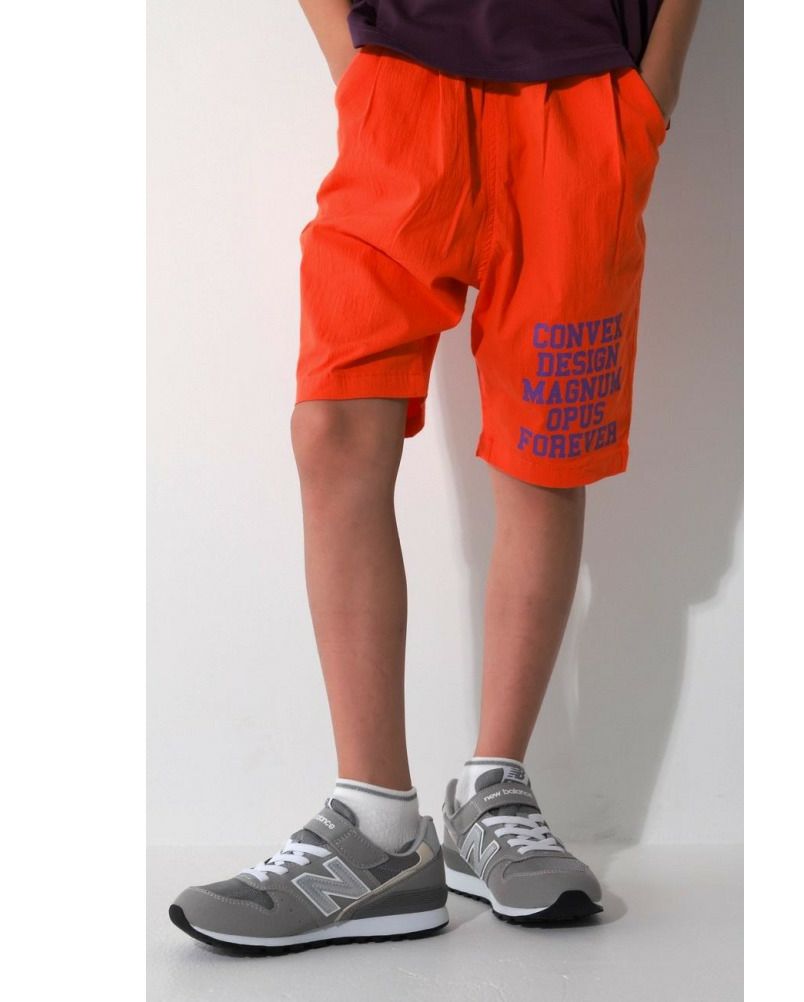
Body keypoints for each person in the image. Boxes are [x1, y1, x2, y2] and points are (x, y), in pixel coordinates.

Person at [170, 0, 701, 953]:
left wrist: (651, 89)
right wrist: (358, 67)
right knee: (333, 427)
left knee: (543, 460)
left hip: (584, 99)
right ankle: (376, 831)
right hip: (404, 84)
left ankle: (494, 791)